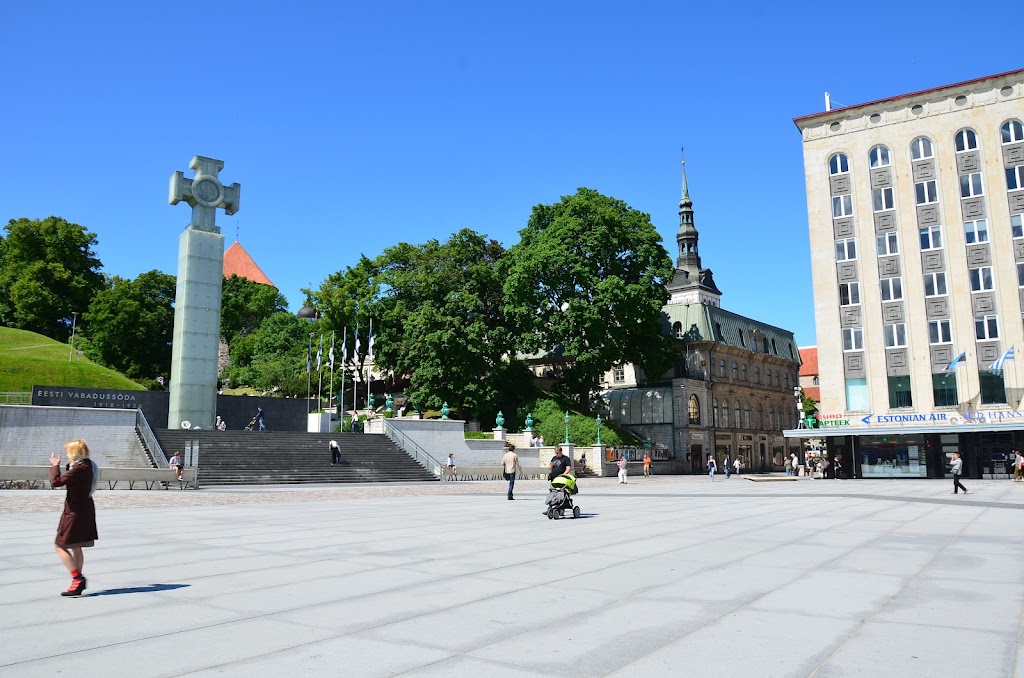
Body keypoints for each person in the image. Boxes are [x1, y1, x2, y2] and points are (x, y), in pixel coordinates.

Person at [49, 439, 99, 597]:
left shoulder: (80, 468)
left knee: (59, 545)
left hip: (75, 512)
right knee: (76, 546)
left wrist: (55, 466)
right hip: (83, 509)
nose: (66, 454)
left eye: (68, 452)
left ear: (75, 453)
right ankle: (77, 583)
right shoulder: (88, 465)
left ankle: (77, 578)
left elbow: (56, 482)